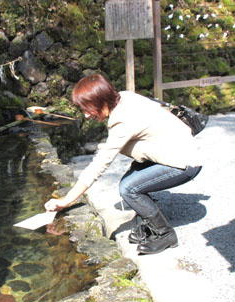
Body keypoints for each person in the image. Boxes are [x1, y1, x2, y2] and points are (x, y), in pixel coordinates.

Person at [44, 74, 202, 255]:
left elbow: (98, 166)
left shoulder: (122, 122)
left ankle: (164, 233)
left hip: (185, 162)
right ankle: (147, 222)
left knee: (129, 188)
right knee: (131, 180)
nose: (87, 115)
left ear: (102, 101)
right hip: (173, 152)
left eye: (88, 109)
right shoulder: (123, 97)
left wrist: (65, 201)